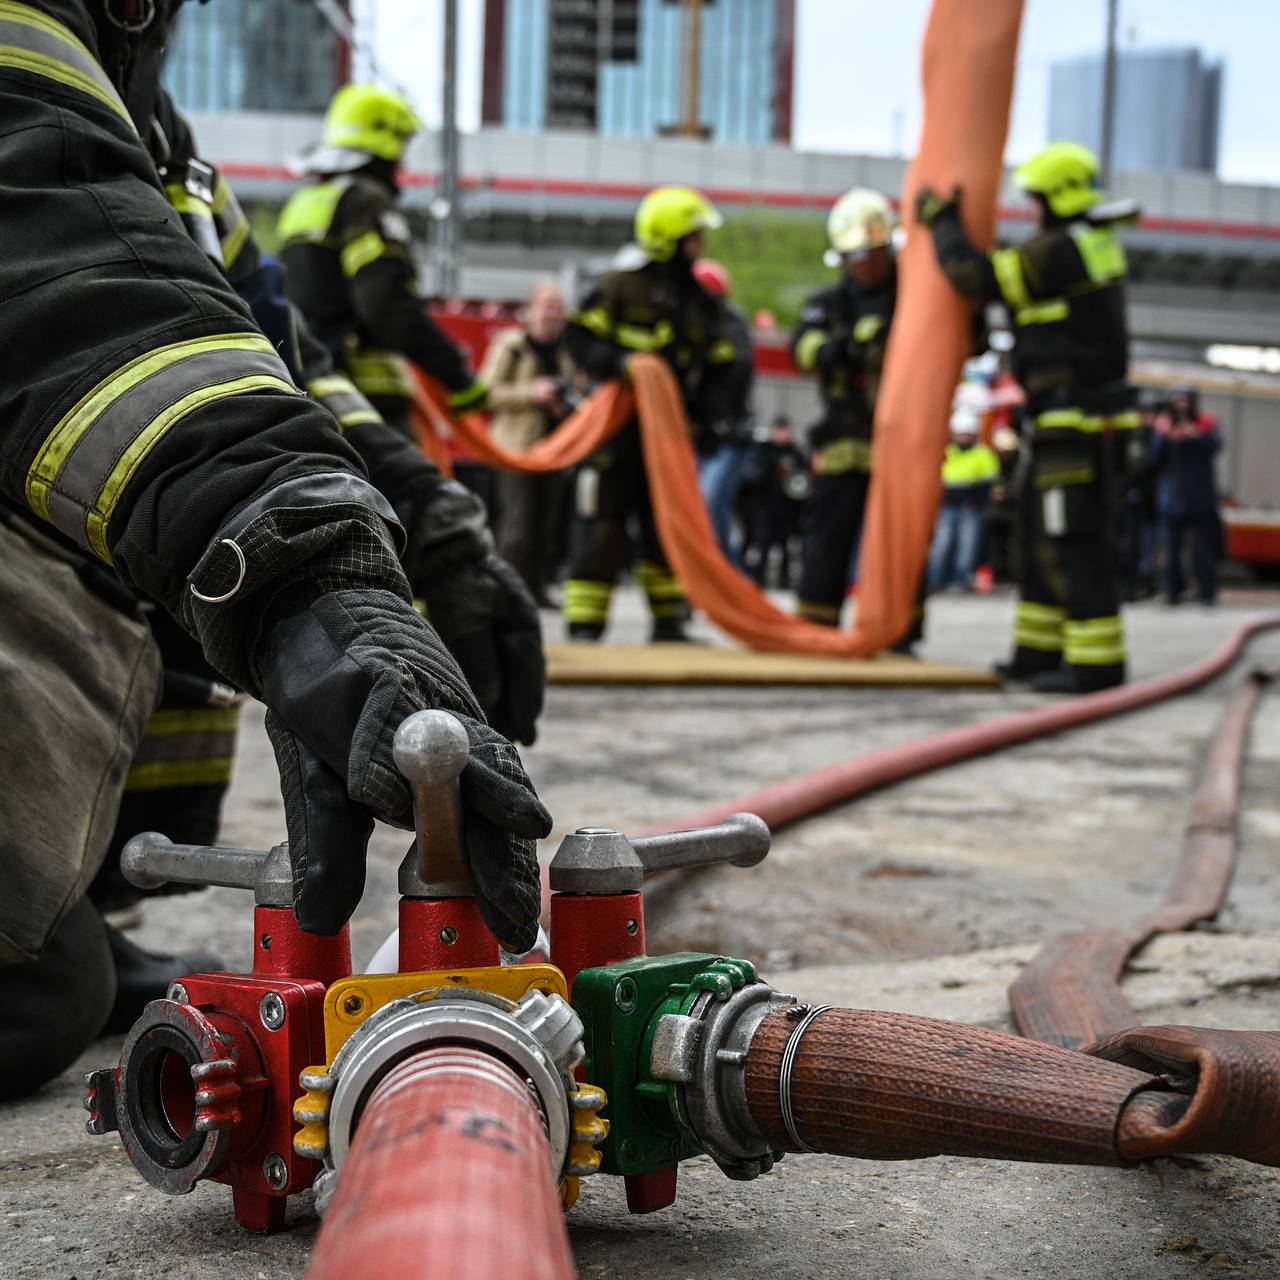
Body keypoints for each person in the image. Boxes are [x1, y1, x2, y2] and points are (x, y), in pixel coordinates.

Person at [0, 1, 549, 1100]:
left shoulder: (158, 135)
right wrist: (296, 573)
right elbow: (54, 264)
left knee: (56, 966)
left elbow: (275, 353)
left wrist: (428, 528)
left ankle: (79, 894)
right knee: (31, 995)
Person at [918, 141, 1139, 693]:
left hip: (1076, 422)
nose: (1032, 211)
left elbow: (975, 275)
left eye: (1036, 200)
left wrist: (943, 224)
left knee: (1072, 538)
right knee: (1039, 537)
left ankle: (1096, 664)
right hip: (1059, 422)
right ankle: (1037, 654)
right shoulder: (1085, 245)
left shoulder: (1063, 250)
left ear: (1058, 199)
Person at [562, 186, 740, 641]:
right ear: (669, 237)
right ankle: (585, 623)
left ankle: (668, 621)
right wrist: (620, 363)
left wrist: (713, 420)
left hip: (670, 437)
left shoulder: (702, 302)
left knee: (667, 525)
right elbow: (579, 339)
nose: (701, 243)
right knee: (606, 523)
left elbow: (721, 367)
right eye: (694, 235)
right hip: (619, 433)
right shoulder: (620, 286)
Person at [277, 84, 487, 433]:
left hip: (306, 390)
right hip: (363, 404)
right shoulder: (366, 201)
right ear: (384, 142)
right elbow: (387, 305)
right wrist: (457, 374)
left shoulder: (303, 204)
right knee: (412, 486)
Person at [791, 188, 898, 628]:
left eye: (873, 254)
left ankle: (899, 627)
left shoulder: (911, 297)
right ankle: (817, 622)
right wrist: (843, 350)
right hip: (844, 435)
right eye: (857, 257)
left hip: (901, 436)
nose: (866, 265)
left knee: (898, 536)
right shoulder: (829, 303)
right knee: (829, 534)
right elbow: (803, 347)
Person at [479, 281, 578, 606]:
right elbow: (487, 392)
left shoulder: (567, 351)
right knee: (517, 526)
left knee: (547, 524)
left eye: (557, 307)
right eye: (546, 305)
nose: (552, 313)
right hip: (516, 450)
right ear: (531, 311)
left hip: (556, 452)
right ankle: (507, 592)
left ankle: (535, 590)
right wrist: (532, 393)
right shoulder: (512, 346)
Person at [691, 257, 756, 565]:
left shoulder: (729, 326)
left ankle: (726, 575)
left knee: (711, 502)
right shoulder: (686, 323)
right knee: (695, 507)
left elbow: (737, 373)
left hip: (726, 433)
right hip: (696, 432)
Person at [1150, 387, 1222, 606]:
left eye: (1184, 400)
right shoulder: (1164, 428)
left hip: (1200, 499)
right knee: (1171, 551)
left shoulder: (1205, 424)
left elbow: (1215, 445)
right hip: (1173, 500)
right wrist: (1163, 435)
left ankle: (1207, 592)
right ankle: (1173, 592)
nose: (1181, 405)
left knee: (1203, 550)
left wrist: (1193, 434)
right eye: (1176, 401)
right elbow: (1153, 460)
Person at [928, 406, 1002, 591]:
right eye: (960, 434)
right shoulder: (946, 452)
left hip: (972, 507)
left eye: (966, 434)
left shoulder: (983, 454)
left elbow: (991, 481)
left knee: (967, 547)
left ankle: (959, 581)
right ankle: (935, 581)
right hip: (947, 505)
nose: (962, 438)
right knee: (942, 545)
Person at [739, 416, 809, 588]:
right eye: (779, 430)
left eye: (785, 430)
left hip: (787, 508)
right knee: (762, 543)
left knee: (786, 545)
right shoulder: (764, 451)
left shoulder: (795, 453)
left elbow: (802, 482)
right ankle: (758, 577)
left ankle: (785, 579)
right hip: (765, 506)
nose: (782, 434)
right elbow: (752, 478)